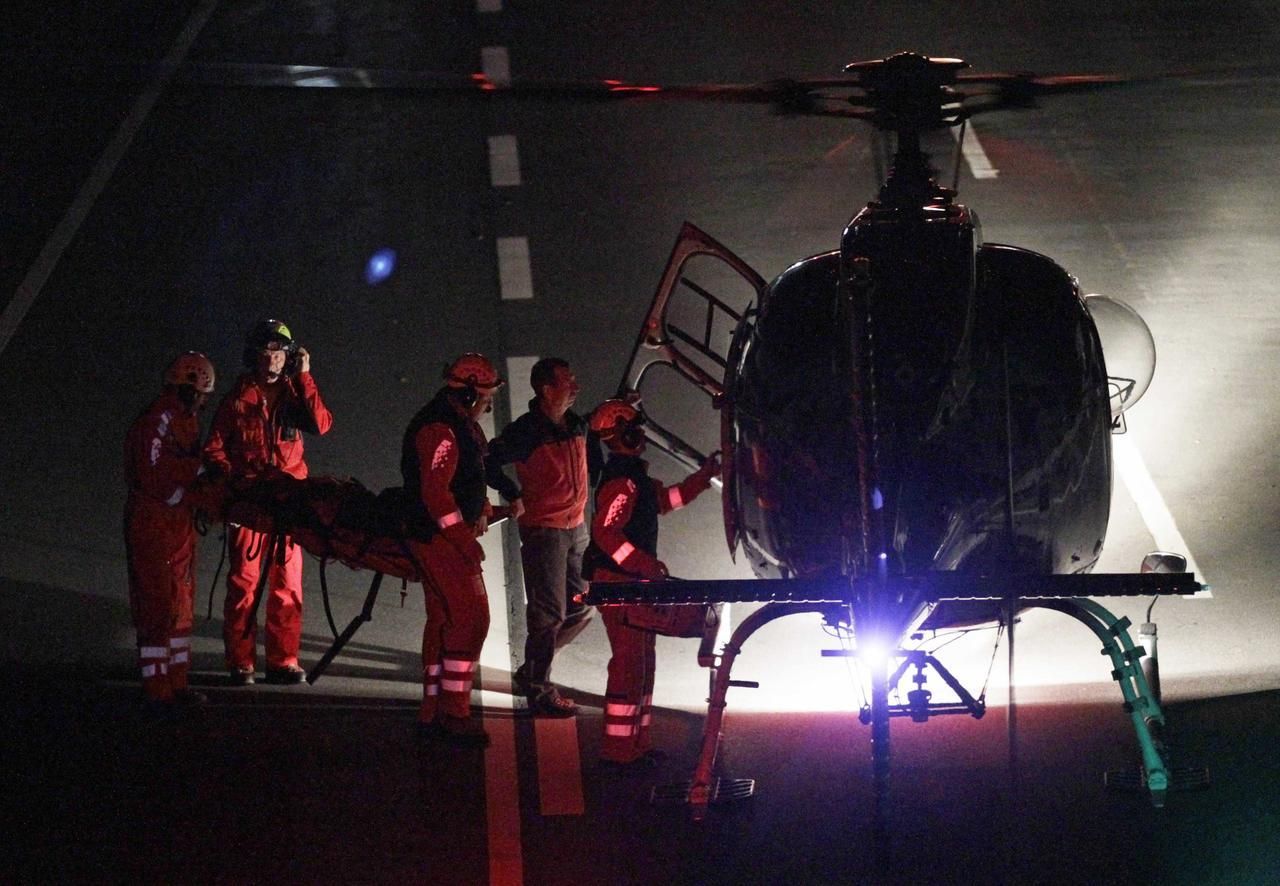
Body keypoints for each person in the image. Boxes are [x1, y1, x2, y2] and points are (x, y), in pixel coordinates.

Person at [584, 398, 720, 771]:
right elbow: (606, 535)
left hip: (632, 584)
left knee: (643, 662)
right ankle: (617, 752)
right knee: (630, 664)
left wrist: (702, 479)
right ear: (623, 433)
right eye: (636, 427)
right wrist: (646, 564)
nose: (642, 433)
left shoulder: (634, 478)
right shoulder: (622, 482)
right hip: (620, 585)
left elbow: (665, 500)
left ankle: (636, 745)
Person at [203, 319, 332, 685]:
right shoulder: (236, 400)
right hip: (251, 504)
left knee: (287, 585)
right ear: (254, 356)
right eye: (266, 352)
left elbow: (322, 424)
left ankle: (283, 661)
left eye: (279, 353)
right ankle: (240, 662)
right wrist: (230, 489)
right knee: (243, 584)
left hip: (290, 503)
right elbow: (214, 448)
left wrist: (306, 377)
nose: (273, 360)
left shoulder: (295, 393)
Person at [402, 353, 521, 747]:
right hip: (440, 542)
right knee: (470, 622)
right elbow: (436, 494)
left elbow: (465, 477)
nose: (488, 404)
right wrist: (464, 541)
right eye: (486, 397)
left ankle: (430, 711)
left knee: (443, 621)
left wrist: (483, 507)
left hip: (440, 537)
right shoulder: (441, 429)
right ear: (469, 395)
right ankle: (454, 715)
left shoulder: (458, 425)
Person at [485, 358, 602, 717]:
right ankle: (538, 687)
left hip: (575, 528)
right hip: (544, 531)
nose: (575, 387)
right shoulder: (526, 432)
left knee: (584, 607)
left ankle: (533, 670)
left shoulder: (576, 425)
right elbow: (489, 461)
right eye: (568, 382)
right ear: (546, 389)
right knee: (548, 614)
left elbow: (592, 465)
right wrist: (511, 492)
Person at [123, 352, 217, 708]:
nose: (204, 401)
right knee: (157, 601)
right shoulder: (158, 420)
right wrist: (197, 472)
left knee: (181, 602)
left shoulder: (185, 420)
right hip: (153, 519)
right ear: (190, 388)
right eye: (202, 394)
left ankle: (177, 682)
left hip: (178, 519)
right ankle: (156, 687)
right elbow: (152, 474)